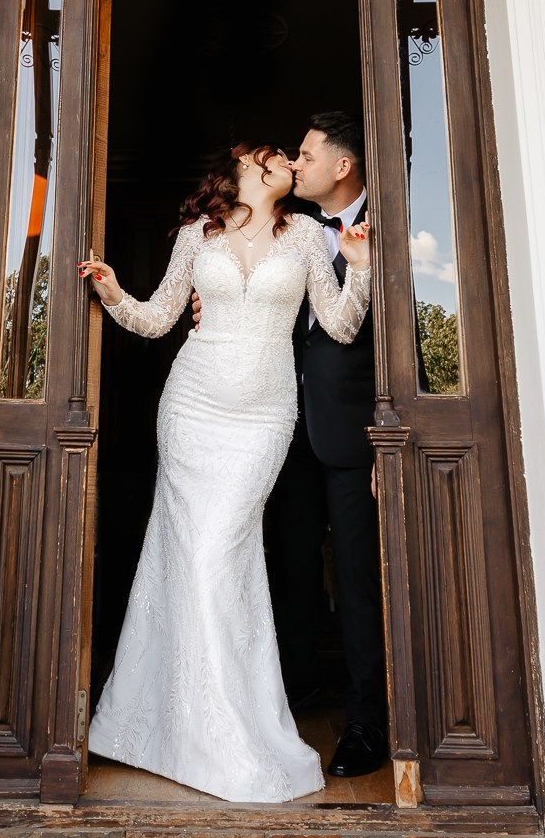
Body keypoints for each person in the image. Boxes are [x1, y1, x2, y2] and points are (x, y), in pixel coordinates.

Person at [76, 142, 372, 803]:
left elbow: (343, 325)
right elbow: (157, 317)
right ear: (237, 170)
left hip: (263, 418)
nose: (280, 162)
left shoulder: (302, 236)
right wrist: (113, 290)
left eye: (283, 155)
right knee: (190, 557)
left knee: (219, 553)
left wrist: (361, 268)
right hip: (191, 407)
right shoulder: (195, 234)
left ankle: (233, 725)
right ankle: (176, 725)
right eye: (267, 154)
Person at [271, 113, 389, 780]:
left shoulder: (392, 226)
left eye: (306, 152)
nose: (297, 162)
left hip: (354, 443)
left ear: (342, 166)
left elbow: (397, 345)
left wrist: (386, 444)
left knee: (357, 578)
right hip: (290, 433)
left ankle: (367, 720)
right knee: (291, 572)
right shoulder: (292, 232)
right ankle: (296, 692)